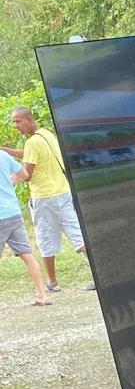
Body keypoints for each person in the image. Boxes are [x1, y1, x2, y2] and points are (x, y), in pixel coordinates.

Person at [5, 107, 93, 292]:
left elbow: (26, 175)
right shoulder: (46, 135)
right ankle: (100, 275)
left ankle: (52, 283)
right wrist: (6, 151)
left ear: (29, 119)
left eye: (18, 121)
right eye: (14, 122)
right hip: (63, 192)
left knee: (45, 240)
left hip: (44, 197)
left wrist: (6, 183)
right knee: (78, 236)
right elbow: (30, 155)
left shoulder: (32, 143)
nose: (15, 126)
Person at [0, 148, 50, 306]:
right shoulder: (3, 155)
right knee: (27, 255)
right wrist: (9, 182)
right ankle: (42, 294)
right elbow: (24, 175)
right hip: (13, 213)